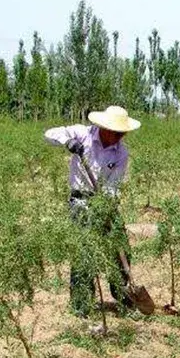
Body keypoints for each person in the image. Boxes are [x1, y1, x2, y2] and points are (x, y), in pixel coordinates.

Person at [44, 105, 141, 317]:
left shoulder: (122, 153)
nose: (119, 137)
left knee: (120, 246)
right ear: (104, 128)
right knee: (84, 250)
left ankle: (124, 297)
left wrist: (106, 207)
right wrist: (68, 142)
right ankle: (81, 304)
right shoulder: (82, 133)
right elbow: (49, 134)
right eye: (116, 133)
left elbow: (113, 186)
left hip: (105, 201)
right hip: (80, 201)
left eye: (122, 133)